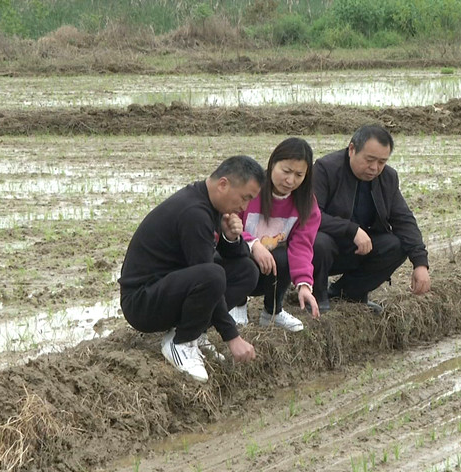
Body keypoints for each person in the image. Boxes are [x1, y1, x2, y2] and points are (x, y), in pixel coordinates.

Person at [119, 155, 264, 382]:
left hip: (168, 287)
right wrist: (232, 337)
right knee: (213, 274)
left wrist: (230, 237)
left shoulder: (209, 203)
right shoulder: (194, 212)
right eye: (245, 198)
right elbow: (207, 275)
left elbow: (227, 262)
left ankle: (194, 331)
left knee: (246, 270)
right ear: (223, 184)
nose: (244, 207)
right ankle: (181, 342)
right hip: (142, 303)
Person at [312, 125, 431, 313]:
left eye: (382, 162)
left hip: (359, 249)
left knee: (395, 244)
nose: (375, 168)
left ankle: (348, 293)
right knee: (320, 242)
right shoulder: (325, 169)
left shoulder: (388, 177)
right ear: (352, 149)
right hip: (323, 250)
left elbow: (404, 220)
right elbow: (311, 216)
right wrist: (351, 230)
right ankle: (317, 295)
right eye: (369, 160)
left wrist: (420, 262)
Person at [228, 138, 322, 332]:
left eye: (299, 174)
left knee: (284, 255)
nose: (290, 180)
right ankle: (238, 304)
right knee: (235, 250)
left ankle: (272, 311)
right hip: (238, 263)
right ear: (272, 164)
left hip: (269, 269)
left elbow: (302, 245)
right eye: (286, 171)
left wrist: (304, 284)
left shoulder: (306, 204)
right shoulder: (252, 188)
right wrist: (253, 244)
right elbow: (228, 221)